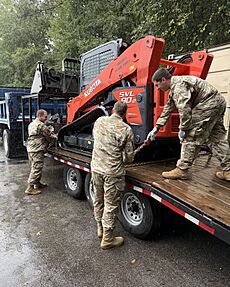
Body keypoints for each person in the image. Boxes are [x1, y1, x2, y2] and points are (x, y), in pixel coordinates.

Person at [147, 68, 230, 180]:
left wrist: (184, 128)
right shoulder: (174, 88)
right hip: (218, 103)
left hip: (208, 104)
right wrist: (156, 128)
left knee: (191, 135)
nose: (158, 88)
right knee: (217, 138)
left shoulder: (179, 86)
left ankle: (182, 170)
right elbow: (167, 109)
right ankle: (228, 170)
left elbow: (184, 109)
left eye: (157, 85)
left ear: (163, 80)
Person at [91, 102, 135, 249]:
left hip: (96, 168)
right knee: (110, 205)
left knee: (98, 199)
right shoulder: (126, 129)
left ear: (112, 110)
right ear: (124, 114)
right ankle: (108, 239)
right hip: (112, 172)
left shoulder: (99, 121)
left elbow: (97, 140)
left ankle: (100, 228)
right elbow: (129, 158)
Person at [25, 109, 56, 195]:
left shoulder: (32, 124)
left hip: (31, 148)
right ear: (40, 116)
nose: (46, 118)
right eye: (45, 117)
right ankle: (30, 188)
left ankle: (37, 184)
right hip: (37, 150)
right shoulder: (41, 125)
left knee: (34, 166)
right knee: (37, 168)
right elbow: (49, 136)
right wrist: (54, 137)